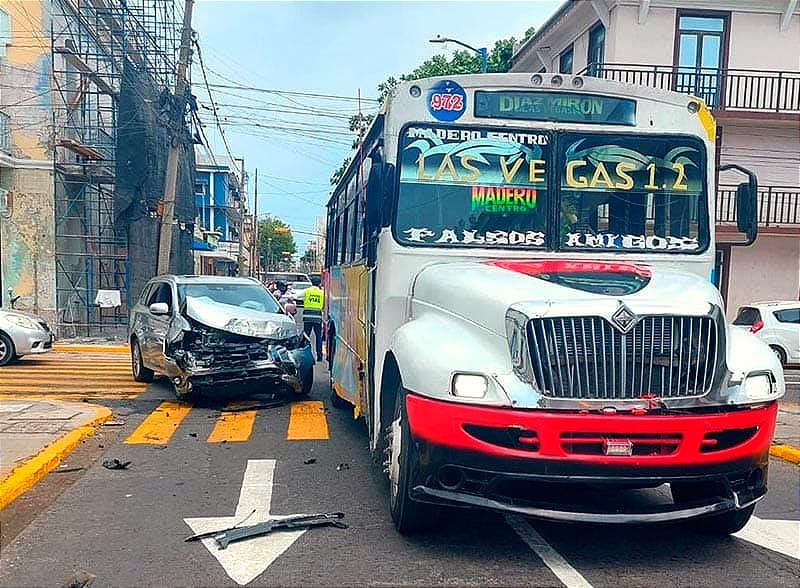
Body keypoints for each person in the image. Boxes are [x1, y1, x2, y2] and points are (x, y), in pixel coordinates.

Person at [302, 276, 325, 361]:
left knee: (306, 336)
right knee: (318, 337)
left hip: (307, 317)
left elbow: (298, 297)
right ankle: (319, 356)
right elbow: (323, 305)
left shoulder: (307, 291)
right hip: (317, 317)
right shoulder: (321, 293)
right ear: (319, 283)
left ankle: (305, 354)